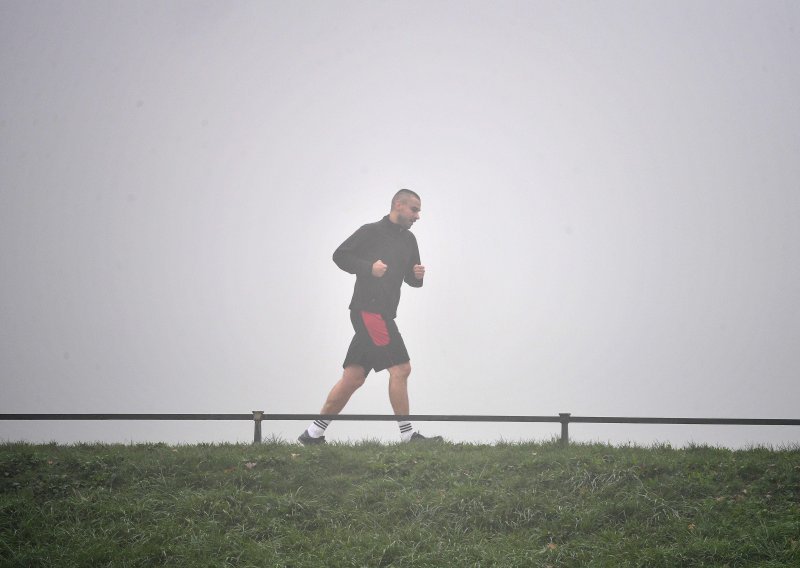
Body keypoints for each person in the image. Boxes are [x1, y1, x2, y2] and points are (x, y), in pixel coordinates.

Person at [299, 189, 442, 445]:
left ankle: (312, 434)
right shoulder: (370, 231)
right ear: (398, 205)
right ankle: (409, 436)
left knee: (353, 378)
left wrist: (418, 276)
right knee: (401, 368)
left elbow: (411, 280)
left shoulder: (409, 240)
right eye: (414, 209)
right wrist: (368, 268)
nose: (418, 216)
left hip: (383, 312)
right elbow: (340, 255)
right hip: (369, 310)